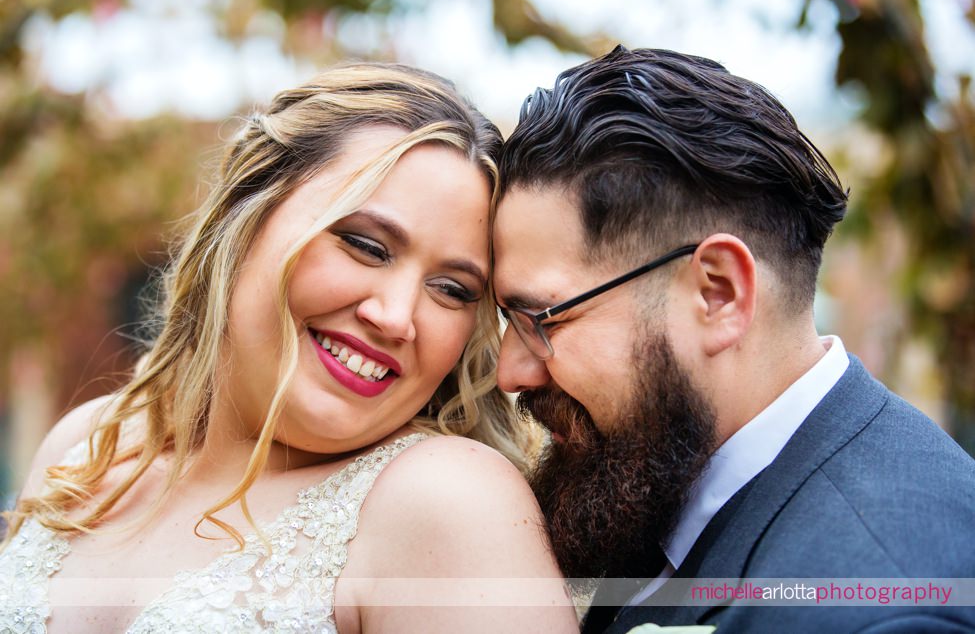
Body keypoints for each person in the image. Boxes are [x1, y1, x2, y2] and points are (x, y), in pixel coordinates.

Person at [0, 63, 579, 633]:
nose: (397, 317)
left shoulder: (446, 500)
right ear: (245, 215)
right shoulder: (87, 446)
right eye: (365, 245)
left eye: (452, 289)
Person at [492, 45, 975, 633]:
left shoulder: (882, 613)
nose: (510, 372)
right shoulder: (662, 474)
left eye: (541, 318)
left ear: (717, 294)